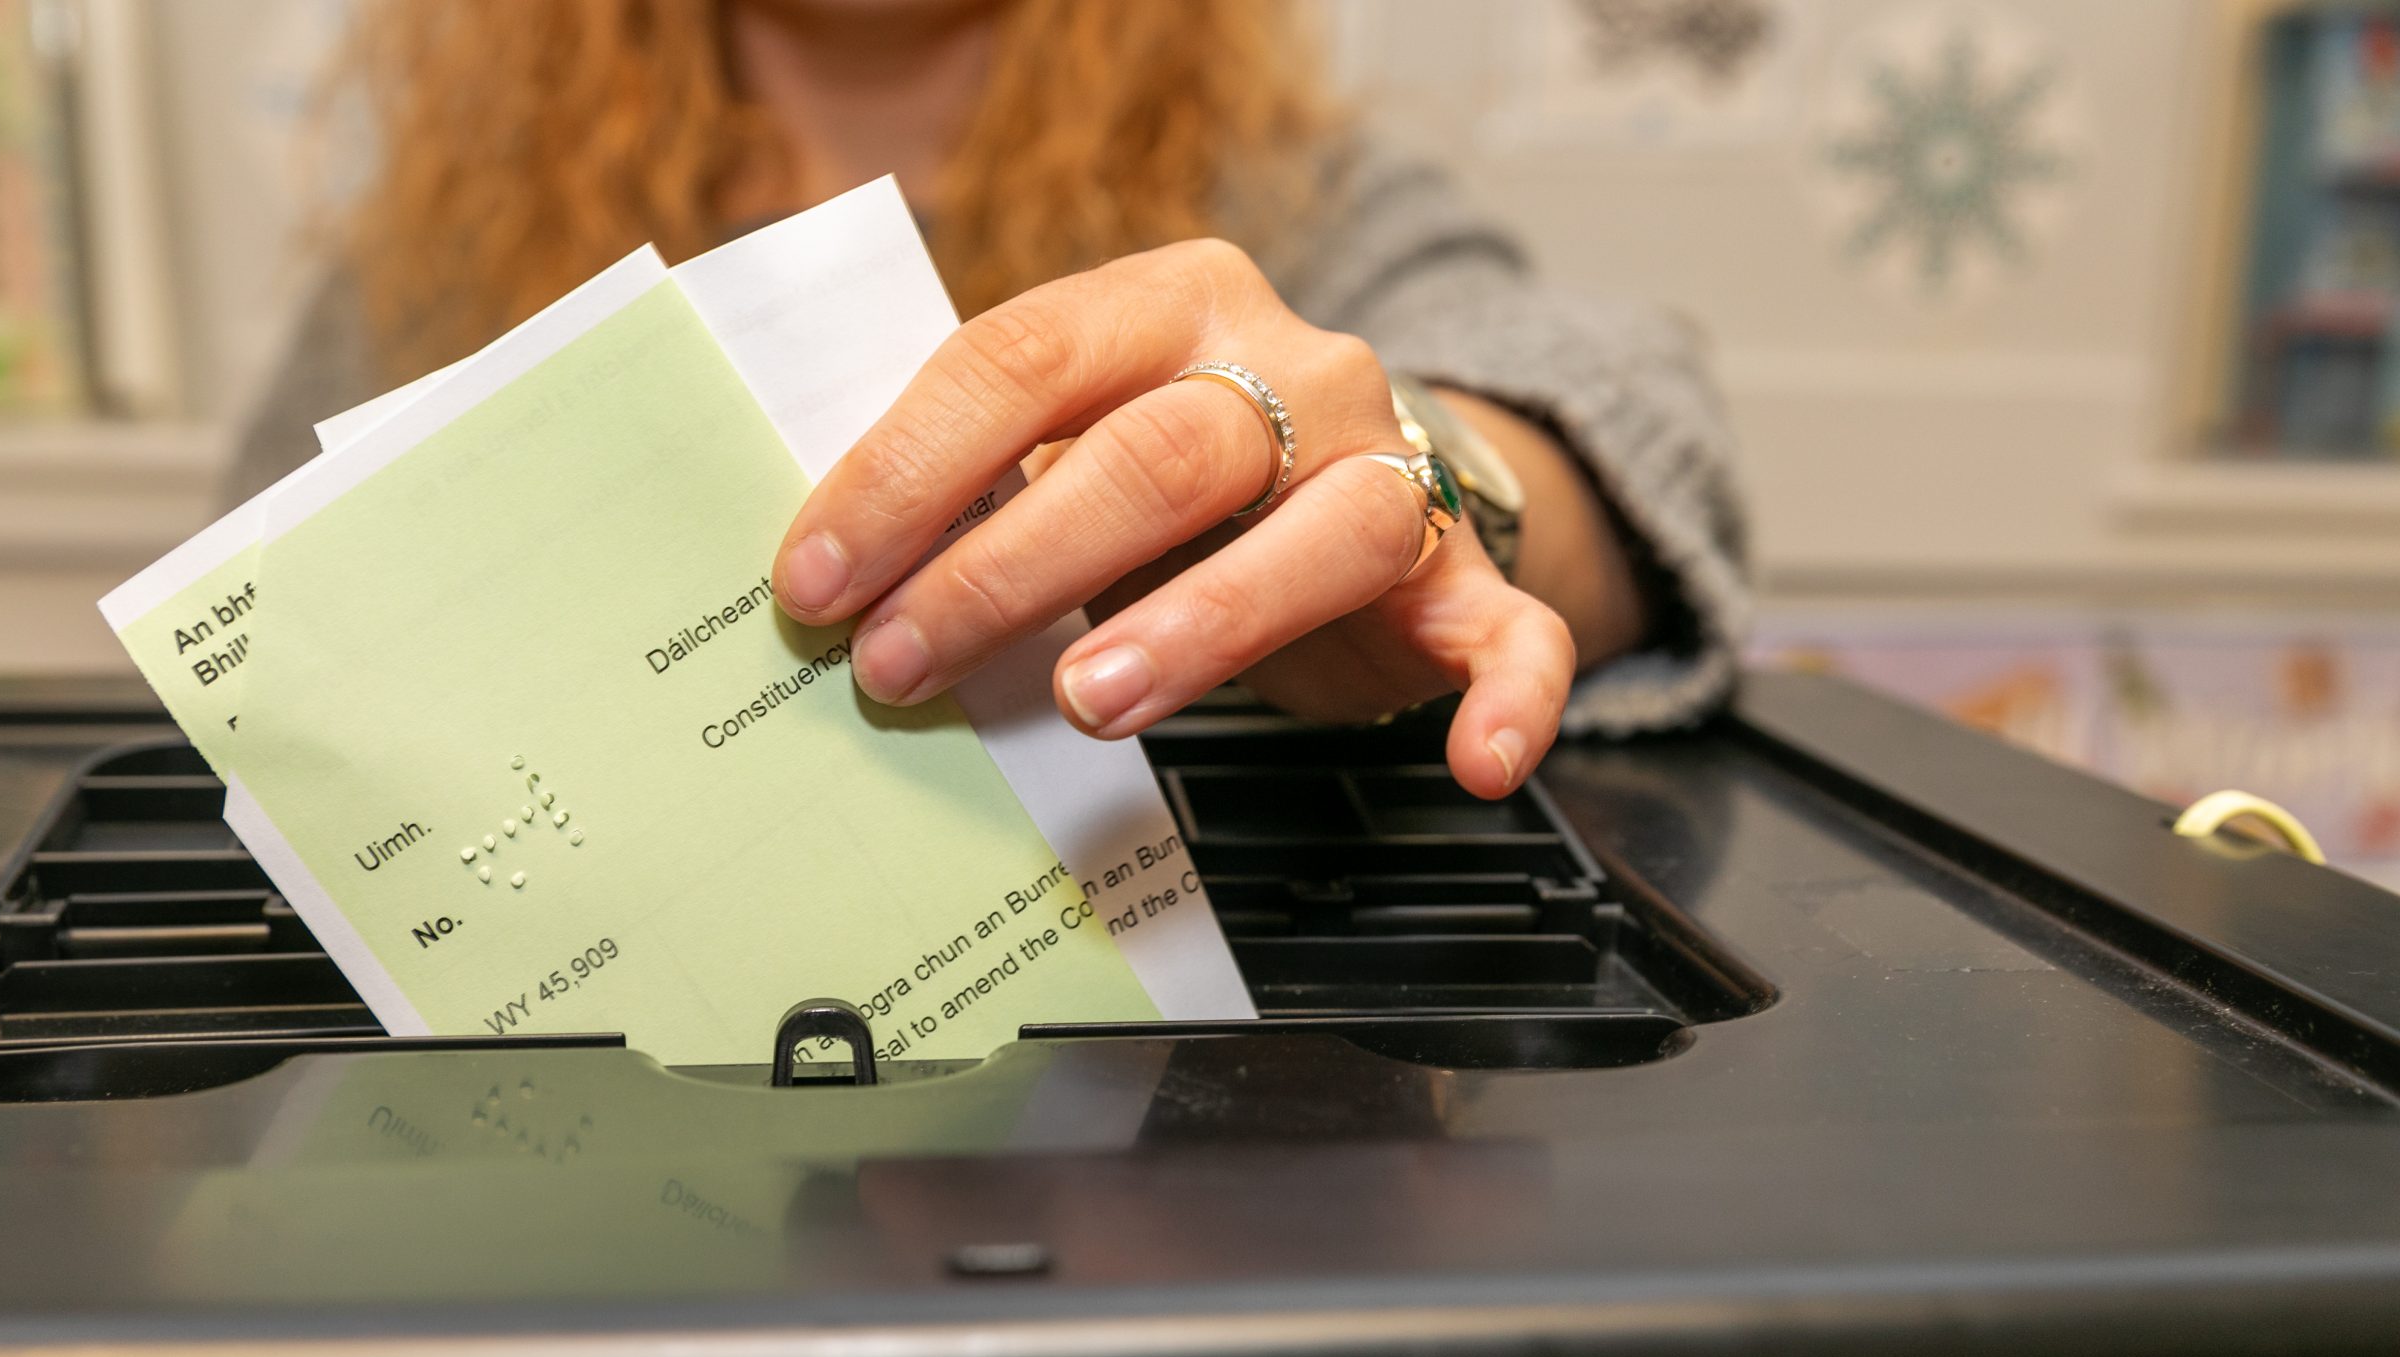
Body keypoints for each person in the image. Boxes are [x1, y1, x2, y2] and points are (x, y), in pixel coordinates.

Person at [229, 0, 1747, 799]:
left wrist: (1430, 477)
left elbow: (1608, 404)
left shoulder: (1293, 196)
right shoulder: (437, 260)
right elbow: (256, 681)